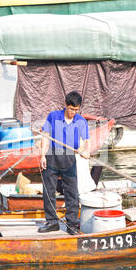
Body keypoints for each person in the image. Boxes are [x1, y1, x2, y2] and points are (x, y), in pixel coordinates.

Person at [38, 91, 90, 235]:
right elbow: (45, 136)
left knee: (72, 192)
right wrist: (42, 155)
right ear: (66, 105)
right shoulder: (53, 116)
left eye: (76, 109)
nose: (73, 112)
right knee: (49, 191)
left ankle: (72, 224)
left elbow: (86, 140)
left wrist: (86, 151)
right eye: (71, 109)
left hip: (68, 157)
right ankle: (52, 222)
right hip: (52, 156)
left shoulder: (80, 121)